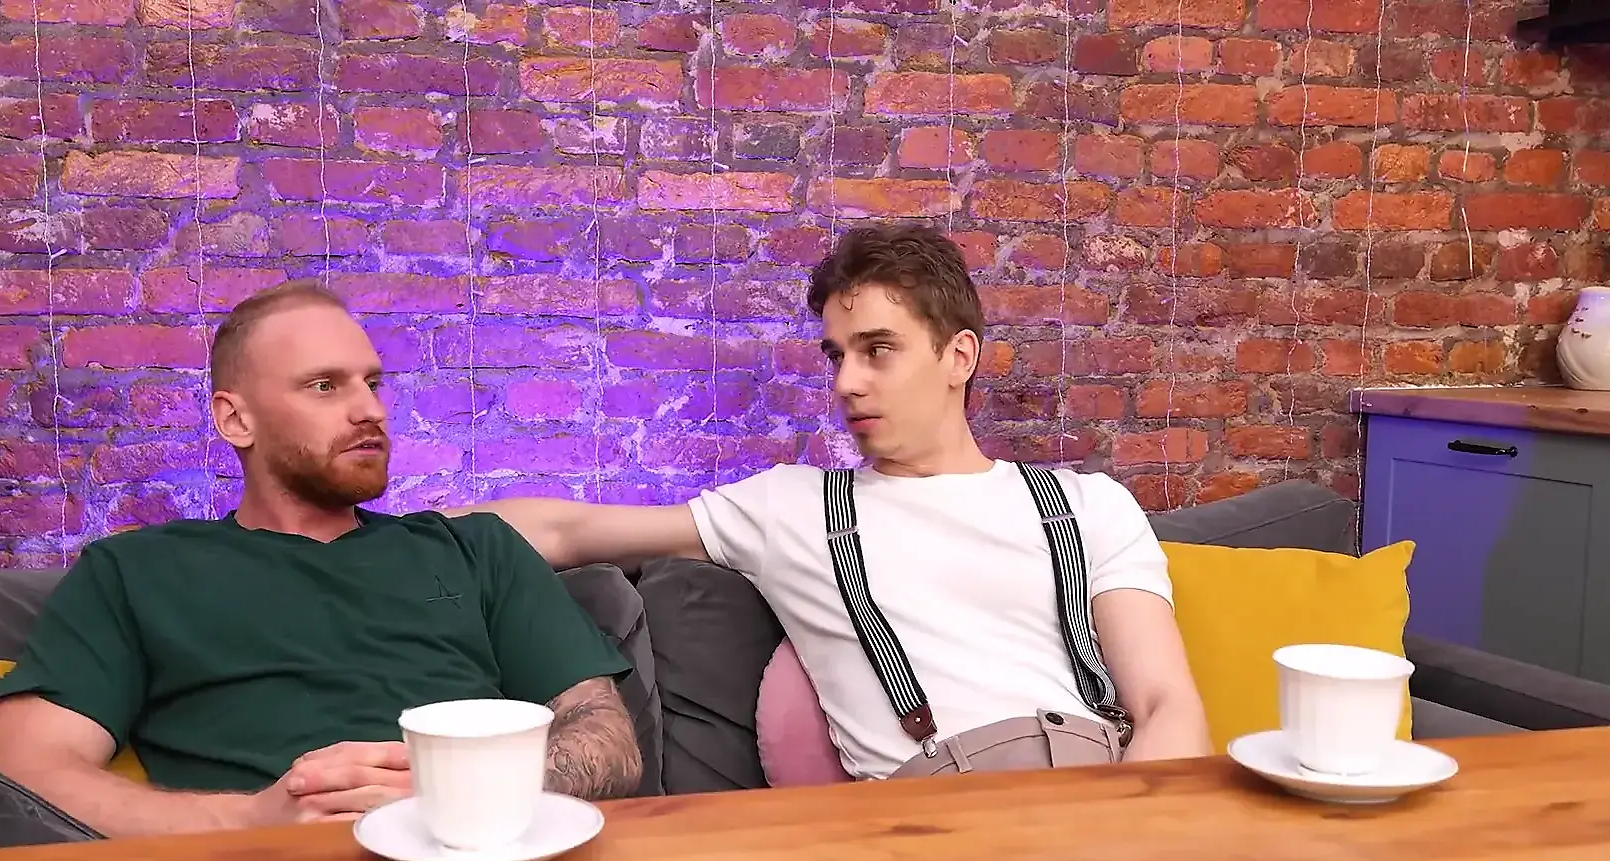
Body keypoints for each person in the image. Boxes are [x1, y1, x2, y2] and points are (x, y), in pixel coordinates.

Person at [0, 280, 650, 861]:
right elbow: (32, 768)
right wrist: (254, 820)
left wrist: (444, 799)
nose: (369, 410)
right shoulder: (139, 569)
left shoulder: (475, 549)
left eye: (373, 382)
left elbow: (605, 740)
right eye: (325, 387)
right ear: (235, 420)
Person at [455, 223, 1211, 781]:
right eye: (837, 355)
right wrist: (404, 537)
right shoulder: (792, 508)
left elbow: (1166, 707)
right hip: (937, 820)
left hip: (1106, 791)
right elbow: (566, 528)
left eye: (878, 350)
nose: (847, 382)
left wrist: (1132, 839)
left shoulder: (1087, 505)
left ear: (959, 356)